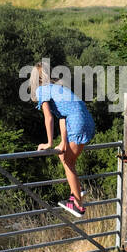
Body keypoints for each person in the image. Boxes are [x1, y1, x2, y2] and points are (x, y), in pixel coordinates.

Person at [30, 60, 96, 217]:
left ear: (35, 80)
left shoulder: (42, 90)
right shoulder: (58, 88)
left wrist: (49, 143)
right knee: (63, 155)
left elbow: (49, 117)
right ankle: (76, 192)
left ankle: (78, 205)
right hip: (86, 120)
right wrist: (62, 142)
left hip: (77, 122)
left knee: (68, 161)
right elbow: (62, 117)